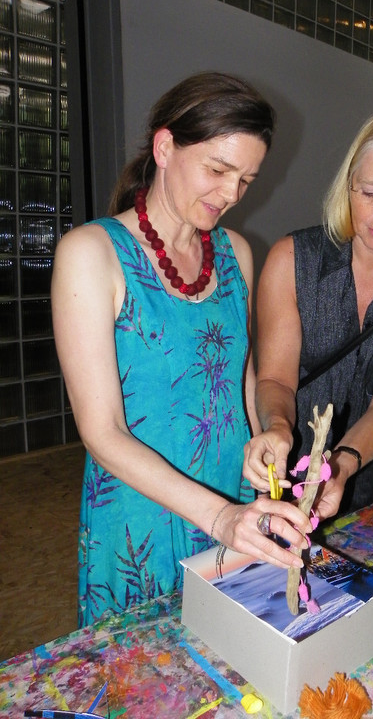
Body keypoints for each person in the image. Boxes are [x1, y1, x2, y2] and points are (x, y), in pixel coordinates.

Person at [51, 72, 311, 627]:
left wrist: (267, 436)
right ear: (165, 147)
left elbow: (240, 379)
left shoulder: (236, 252)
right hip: (141, 516)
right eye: (218, 170)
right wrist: (219, 518)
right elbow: (102, 431)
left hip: (234, 501)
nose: (231, 195)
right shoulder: (92, 253)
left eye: (246, 180)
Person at [244, 108, 373, 519]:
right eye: (369, 192)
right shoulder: (292, 260)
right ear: (348, 186)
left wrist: (339, 466)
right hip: (286, 472)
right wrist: (278, 427)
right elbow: (275, 379)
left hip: (372, 473)